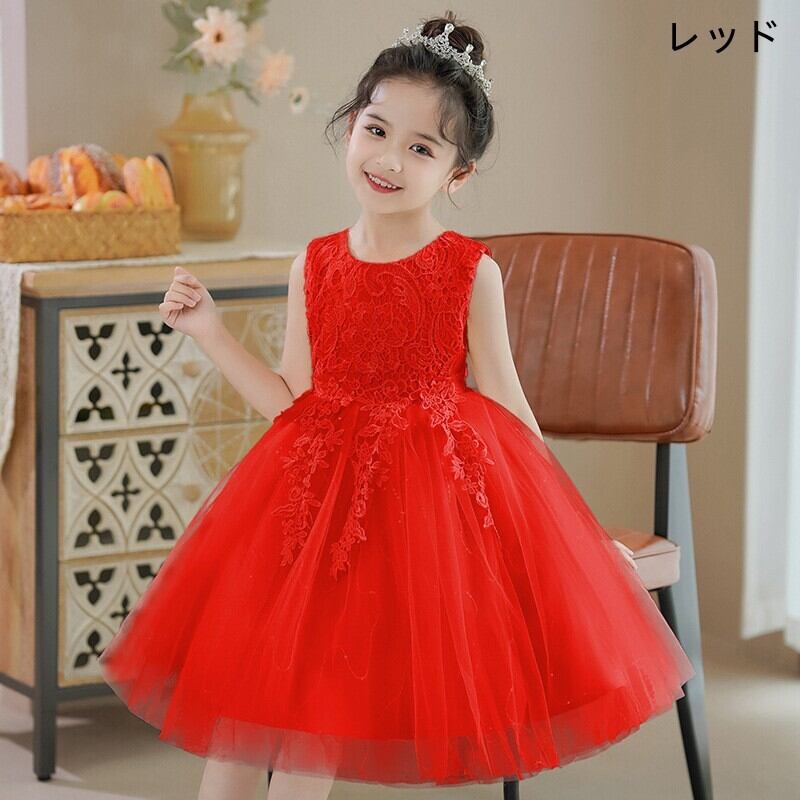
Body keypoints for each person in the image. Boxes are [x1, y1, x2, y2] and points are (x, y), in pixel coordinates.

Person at [98, 11, 695, 800]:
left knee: (311, 717)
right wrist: (208, 330)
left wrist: (580, 539)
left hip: (419, 518)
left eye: (421, 148)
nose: (388, 159)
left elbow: (509, 406)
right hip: (308, 508)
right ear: (349, 126)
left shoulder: (468, 271)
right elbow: (292, 401)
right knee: (248, 713)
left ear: (457, 174)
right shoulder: (315, 264)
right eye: (376, 131)